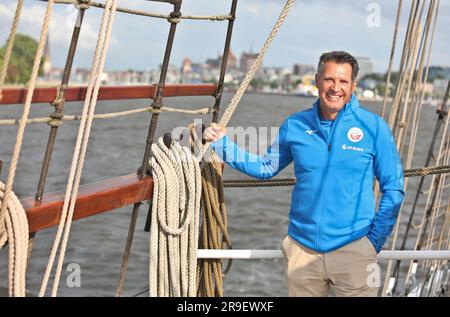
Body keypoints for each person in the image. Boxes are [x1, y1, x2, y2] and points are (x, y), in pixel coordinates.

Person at [204, 51, 405, 297]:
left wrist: (373, 242)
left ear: (354, 86)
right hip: (302, 250)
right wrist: (223, 144)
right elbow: (266, 167)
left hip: (354, 250)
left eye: (343, 81)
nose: (335, 88)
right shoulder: (296, 125)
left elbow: (393, 187)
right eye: (329, 79)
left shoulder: (374, 128)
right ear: (317, 79)